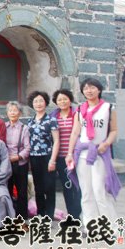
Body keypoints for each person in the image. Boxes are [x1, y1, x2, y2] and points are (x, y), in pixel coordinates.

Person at [66, 78, 120, 229]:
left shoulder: (108, 108)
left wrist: (107, 143)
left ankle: (110, 227)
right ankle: (91, 226)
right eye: (86, 88)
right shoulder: (79, 110)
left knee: (99, 191)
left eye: (92, 88)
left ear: (99, 90)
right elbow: (75, 132)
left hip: (99, 153)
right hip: (81, 154)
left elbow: (114, 130)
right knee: (86, 192)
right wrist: (70, 153)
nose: (89, 90)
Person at [27, 91, 60, 219]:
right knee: (38, 187)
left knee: (49, 187)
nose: (38, 104)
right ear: (32, 104)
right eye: (35, 101)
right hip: (34, 157)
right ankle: (41, 213)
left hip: (47, 156)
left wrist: (53, 160)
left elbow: (56, 140)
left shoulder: (51, 120)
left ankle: (49, 215)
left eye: (41, 101)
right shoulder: (30, 121)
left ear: (45, 102)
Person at [50, 89, 82, 220]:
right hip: (61, 157)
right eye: (59, 100)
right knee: (67, 186)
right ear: (56, 102)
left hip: (75, 156)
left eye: (65, 99)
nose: (62, 101)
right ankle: (72, 216)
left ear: (70, 99)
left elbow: (77, 134)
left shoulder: (76, 114)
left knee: (78, 186)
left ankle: (77, 213)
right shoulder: (53, 116)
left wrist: (72, 153)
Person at [5, 101, 30, 230]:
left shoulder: (24, 128)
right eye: (10, 111)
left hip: (20, 163)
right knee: (7, 191)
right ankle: (9, 218)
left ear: (20, 113)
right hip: (7, 164)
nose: (13, 113)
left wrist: (18, 156)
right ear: (7, 113)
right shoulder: (4, 127)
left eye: (15, 111)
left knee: (21, 192)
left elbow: (27, 147)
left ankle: (22, 220)